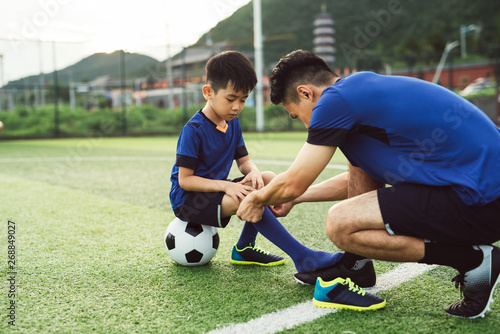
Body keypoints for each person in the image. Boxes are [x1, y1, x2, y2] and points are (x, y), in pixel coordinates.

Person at [237, 49, 500, 317]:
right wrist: (296, 197)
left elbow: (294, 182)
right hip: (477, 192)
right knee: (357, 160)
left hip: (483, 201)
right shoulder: (356, 93)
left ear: (306, 93)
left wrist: (258, 199)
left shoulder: (334, 101)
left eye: (297, 115)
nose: (305, 124)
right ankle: (357, 264)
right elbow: (355, 177)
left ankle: (473, 260)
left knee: (339, 224)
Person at [169, 50, 345, 277]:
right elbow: (185, 180)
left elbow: (244, 162)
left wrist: (254, 172)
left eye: (243, 100)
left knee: (268, 179)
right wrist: (227, 186)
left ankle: (245, 248)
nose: (236, 107)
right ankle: (302, 257)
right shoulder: (193, 130)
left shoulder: (232, 124)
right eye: (231, 99)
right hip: (189, 200)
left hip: (217, 191)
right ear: (208, 92)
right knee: (248, 195)